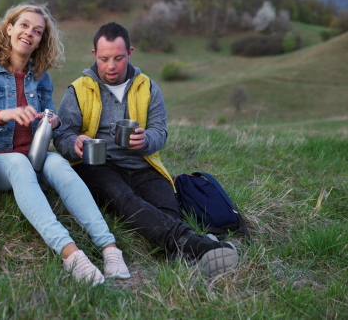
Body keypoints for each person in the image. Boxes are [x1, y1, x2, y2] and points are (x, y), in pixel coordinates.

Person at [0, 5, 129, 285]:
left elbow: (49, 124)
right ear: (9, 28)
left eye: (37, 31)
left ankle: (109, 248)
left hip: (33, 157)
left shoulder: (41, 80)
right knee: (17, 162)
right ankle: (71, 254)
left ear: (41, 41)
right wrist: (3, 115)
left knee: (59, 164)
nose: (30, 33)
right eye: (24, 25)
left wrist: (57, 128)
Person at [54, 22, 239, 277]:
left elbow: (159, 132)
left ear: (130, 52)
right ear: (94, 54)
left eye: (118, 58)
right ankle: (196, 244)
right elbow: (62, 135)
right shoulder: (78, 90)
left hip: (143, 165)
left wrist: (146, 140)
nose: (111, 66)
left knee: (167, 210)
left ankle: (183, 255)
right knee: (122, 198)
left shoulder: (148, 87)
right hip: (99, 166)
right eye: (105, 58)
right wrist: (73, 144)